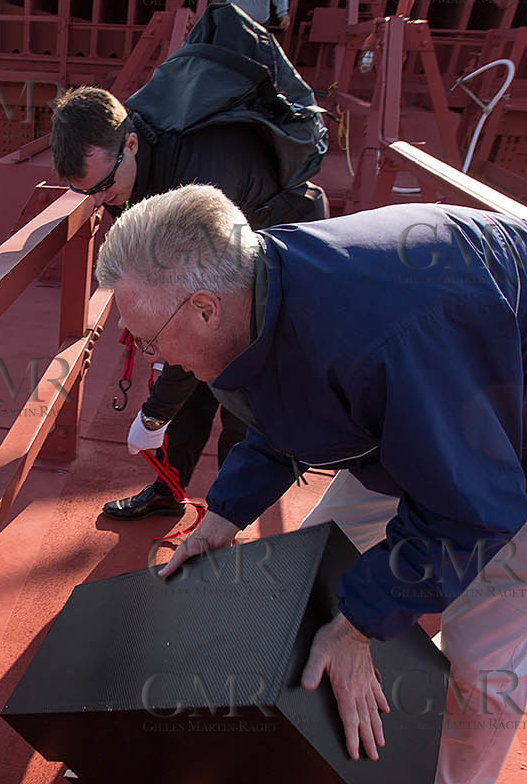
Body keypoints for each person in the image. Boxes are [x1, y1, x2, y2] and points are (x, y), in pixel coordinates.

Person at [96, 184, 527, 784]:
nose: (150, 359)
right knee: (316, 560)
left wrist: (356, 625)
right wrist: (220, 519)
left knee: (482, 643)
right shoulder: (261, 287)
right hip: (457, 400)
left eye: (148, 338)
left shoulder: (382, 336)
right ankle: (307, 705)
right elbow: (283, 411)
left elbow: (472, 506)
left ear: (203, 306)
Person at [51, 85, 323, 522]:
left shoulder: (196, 175)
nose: (99, 202)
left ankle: (226, 517)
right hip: (222, 256)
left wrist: (154, 414)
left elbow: (193, 324)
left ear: (132, 144)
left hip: (274, 250)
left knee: (236, 388)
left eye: (103, 186)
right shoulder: (135, 168)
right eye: (87, 193)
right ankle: (169, 489)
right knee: (192, 384)